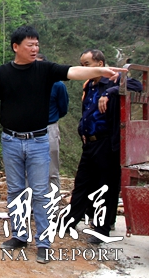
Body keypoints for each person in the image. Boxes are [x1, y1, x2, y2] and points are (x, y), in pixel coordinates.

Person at [0, 26, 127, 264]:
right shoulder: (3, 73)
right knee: (15, 190)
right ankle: (19, 236)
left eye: (37, 44)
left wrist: (102, 71)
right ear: (16, 47)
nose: (35, 48)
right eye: (30, 45)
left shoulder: (45, 70)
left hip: (38, 141)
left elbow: (73, 71)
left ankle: (43, 242)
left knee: (41, 192)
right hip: (11, 140)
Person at [65, 49, 141, 244]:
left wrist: (109, 92)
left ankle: (102, 229)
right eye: (82, 64)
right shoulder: (89, 85)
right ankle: (71, 220)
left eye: (87, 64)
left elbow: (137, 85)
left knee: (106, 186)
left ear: (100, 64)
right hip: (89, 142)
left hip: (107, 142)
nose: (84, 68)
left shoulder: (113, 79)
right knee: (82, 182)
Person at [36, 53, 69, 193]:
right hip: (28, 130)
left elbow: (63, 108)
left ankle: (53, 202)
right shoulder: (25, 84)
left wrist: (50, 118)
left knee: (51, 170)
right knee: (29, 170)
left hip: (49, 128)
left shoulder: (58, 85)